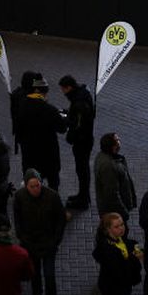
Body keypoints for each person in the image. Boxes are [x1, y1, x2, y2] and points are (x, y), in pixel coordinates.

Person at [12, 169, 67, 295]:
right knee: (34, 273)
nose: (36, 189)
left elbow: (60, 220)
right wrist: (22, 237)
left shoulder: (53, 196)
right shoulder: (19, 197)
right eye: (32, 186)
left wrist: (56, 241)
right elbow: (17, 219)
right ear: (26, 187)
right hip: (30, 244)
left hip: (48, 244)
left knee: (50, 276)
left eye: (38, 185)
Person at [14, 76, 68, 191]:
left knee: (32, 180)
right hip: (48, 153)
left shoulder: (22, 106)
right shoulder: (49, 109)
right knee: (53, 183)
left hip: (29, 153)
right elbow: (62, 128)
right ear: (41, 92)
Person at [93, 212, 143, 295]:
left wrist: (135, 246)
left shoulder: (118, 238)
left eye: (122, 224)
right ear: (108, 229)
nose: (121, 228)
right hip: (115, 290)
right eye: (116, 226)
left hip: (121, 286)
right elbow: (121, 269)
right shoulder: (108, 250)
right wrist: (135, 258)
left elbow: (127, 243)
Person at [59, 75, 95, 210]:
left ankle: (83, 200)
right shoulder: (82, 95)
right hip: (85, 139)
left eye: (63, 89)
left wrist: (66, 122)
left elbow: (78, 125)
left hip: (82, 142)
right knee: (82, 170)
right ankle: (83, 195)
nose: (63, 93)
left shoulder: (79, 102)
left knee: (82, 170)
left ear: (69, 87)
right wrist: (68, 113)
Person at [94, 133, 137, 224]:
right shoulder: (109, 166)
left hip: (113, 210)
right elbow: (112, 194)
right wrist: (124, 213)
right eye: (117, 140)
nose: (119, 141)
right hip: (114, 212)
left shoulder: (104, 157)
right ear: (113, 146)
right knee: (119, 233)